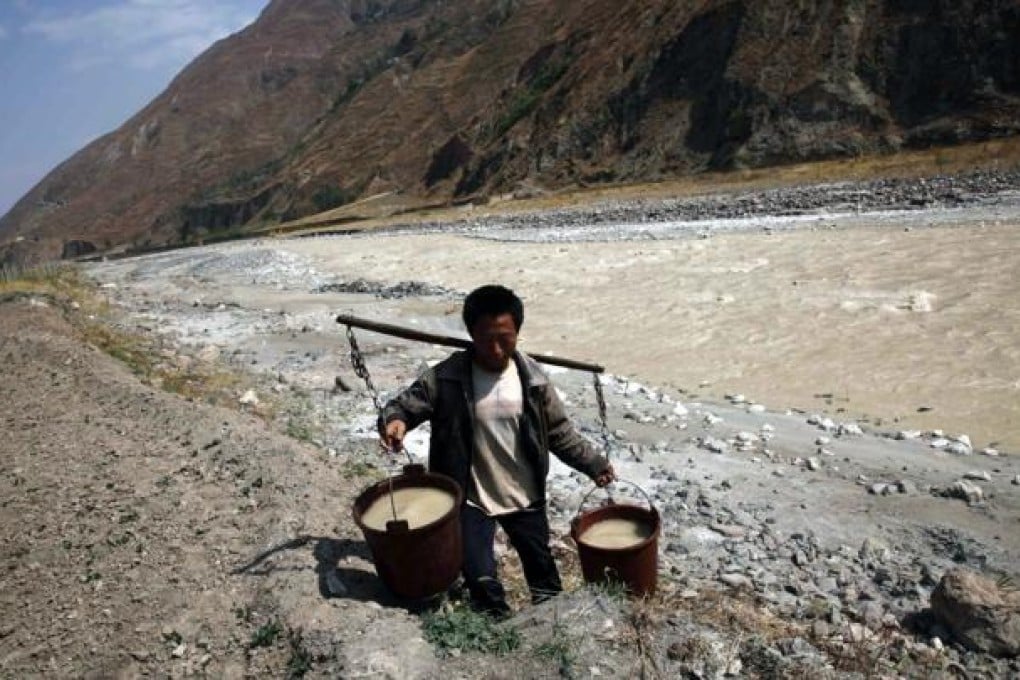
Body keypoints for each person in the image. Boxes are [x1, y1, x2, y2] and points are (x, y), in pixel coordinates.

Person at [379, 284, 615, 615]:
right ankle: (498, 637)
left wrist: (593, 463)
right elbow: (404, 406)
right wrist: (395, 422)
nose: (496, 348)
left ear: (517, 332)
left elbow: (559, 432)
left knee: (544, 575)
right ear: (471, 333)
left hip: (525, 494)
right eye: (486, 338)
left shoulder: (533, 380)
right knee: (479, 576)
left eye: (505, 338)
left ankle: (551, 628)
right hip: (472, 497)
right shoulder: (446, 378)